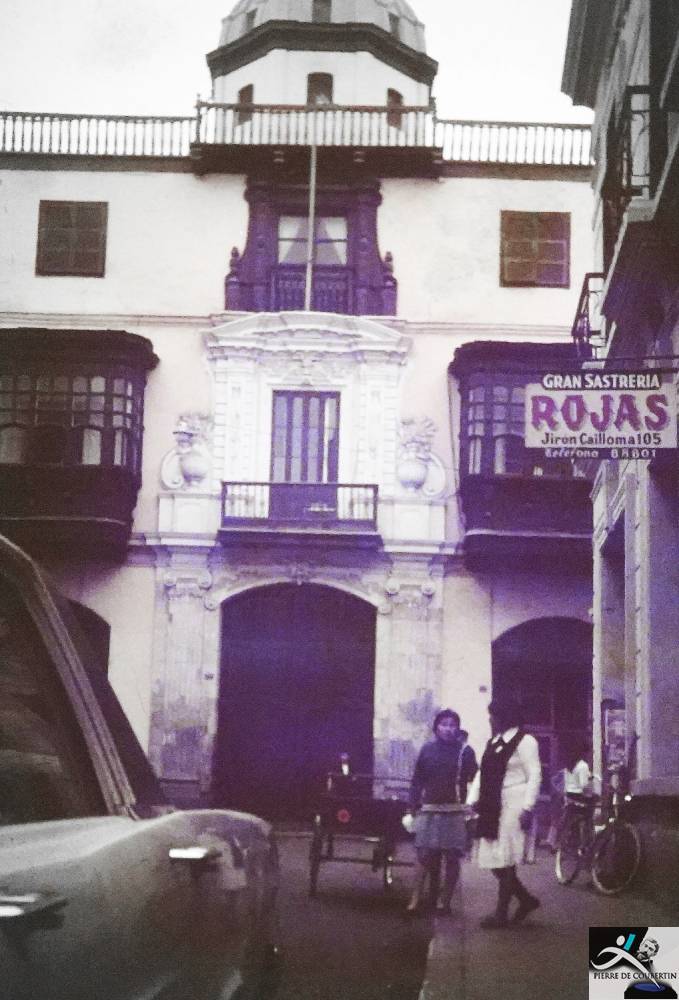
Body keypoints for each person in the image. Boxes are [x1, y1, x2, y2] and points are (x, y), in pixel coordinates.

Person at [467, 697, 542, 928]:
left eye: (494, 715)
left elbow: (534, 774)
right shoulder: (493, 742)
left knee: (507, 859)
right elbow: (481, 773)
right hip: (492, 806)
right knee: (494, 860)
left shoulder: (525, 741)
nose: (491, 719)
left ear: (505, 717)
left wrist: (528, 807)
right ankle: (526, 900)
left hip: (514, 804)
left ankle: (501, 914)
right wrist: (472, 800)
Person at [406, 709, 474, 915]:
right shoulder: (427, 750)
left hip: (455, 811)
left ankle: (445, 902)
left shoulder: (465, 752)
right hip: (429, 809)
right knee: (423, 855)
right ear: (436, 728)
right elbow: (417, 780)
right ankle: (415, 899)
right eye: (444, 724)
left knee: (452, 858)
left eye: (453, 725)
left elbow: (476, 780)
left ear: (458, 728)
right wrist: (412, 805)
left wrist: (472, 806)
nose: (448, 729)